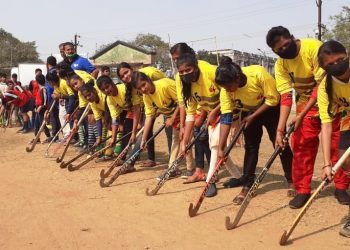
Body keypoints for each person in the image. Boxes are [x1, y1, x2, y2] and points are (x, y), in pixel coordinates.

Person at [266, 26, 350, 208]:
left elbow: (323, 84)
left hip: (331, 98)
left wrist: (301, 114)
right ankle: (302, 189)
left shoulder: (313, 47)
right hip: (306, 102)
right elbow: (286, 97)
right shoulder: (280, 65)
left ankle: (341, 187)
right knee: (302, 144)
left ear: (292, 37)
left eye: (286, 45)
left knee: (337, 143)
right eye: (278, 50)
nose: (284, 51)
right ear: (274, 51)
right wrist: (280, 130)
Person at [215, 56, 294, 204]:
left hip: (270, 108)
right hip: (248, 112)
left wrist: (254, 115)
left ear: (237, 78)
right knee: (251, 147)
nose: (227, 90)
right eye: (224, 88)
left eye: (228, 86)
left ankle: (292, 180)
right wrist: (221, 147)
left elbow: (274, 99)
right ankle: (247, 184)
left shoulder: (258, 73)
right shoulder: (225, 90)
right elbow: (226, 116)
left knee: (280, 144)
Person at [177, 53, 241, 197]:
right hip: (213, 118)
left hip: (228, 112)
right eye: (181, 72)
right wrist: (185, 141)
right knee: (220, 151)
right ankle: (239, 177)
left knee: (215, 146)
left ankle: (209, 181)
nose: (185, 74)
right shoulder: (187, 86)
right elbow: (190, 115)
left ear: (195, 66)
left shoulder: (211, 72)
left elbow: (228, 92)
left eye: (188, 70)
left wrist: (214, 111)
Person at [132, 71, 194, 180]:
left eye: (143, 85)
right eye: (139, 88)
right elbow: (149, 117)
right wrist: (143, 139)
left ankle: (190, 169)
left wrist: (175, 118)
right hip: (174, 117)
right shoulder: (146, 97)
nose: (143, 89)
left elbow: (182, 102)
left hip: (188, 112)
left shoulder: (165, 85)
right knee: (176, 141)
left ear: (148, 80)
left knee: (185, 140)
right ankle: (172, 169)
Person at [317, 40, 350, 238]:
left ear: (346, 54)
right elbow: (326, 124)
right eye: (330, 64)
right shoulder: (325, 87)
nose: (337, 65)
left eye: (340, 59)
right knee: (345, 162)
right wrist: (326, 164)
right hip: (348, 120)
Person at [117, 62, 168, 168]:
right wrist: (134, 132)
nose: (126, 76)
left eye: (126, 72)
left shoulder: (150, 72)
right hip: (150, 105)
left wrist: (159, 108)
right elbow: (137, 109)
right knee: (146, 129)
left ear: (131, 69)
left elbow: (165, 85)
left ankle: (131, 163)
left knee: (169, 131)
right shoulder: (132, 87)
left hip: (167, 101)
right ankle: (146, 160)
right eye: (122, 76)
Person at [170, 42, 208, 181]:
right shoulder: (179, 76)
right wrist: (183, 126)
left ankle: (210, 175)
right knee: (198, 140)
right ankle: (199, 171)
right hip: (194, 112)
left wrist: (203, 114)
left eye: (177, 58)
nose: (176, 61)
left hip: (210, 109)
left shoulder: (203, 68)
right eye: (174, 59)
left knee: (207, 141)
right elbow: (183, 103)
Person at [96, 75, 141, 172]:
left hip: (142, 108)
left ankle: (131, 163)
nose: (107, 90)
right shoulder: (109, 99)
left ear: (112, 83)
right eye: (103, 90)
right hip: (131, 111)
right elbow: (115, 119)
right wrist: (113, 138)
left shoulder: (125, 89)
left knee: (141, 136)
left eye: (107, 87)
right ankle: (123, 158)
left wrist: (134, 131)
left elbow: (137, 108)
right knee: (126, 134)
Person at [80, 80, 114, 159]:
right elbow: (98, 120)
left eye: (89, 95)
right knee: (103, 127)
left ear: (94, 91)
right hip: (108, 114)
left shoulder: (104, 95)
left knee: (110, 129)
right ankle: (102, 149)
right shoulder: (92, 103)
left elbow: (111, 114)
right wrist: (98, 137)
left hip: (117, 112)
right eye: (85, 97)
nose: (88, 98)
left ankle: (113, 151)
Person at [33, 74, 51, 142]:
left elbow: (45, 99)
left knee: (42, 124)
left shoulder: (43, 89)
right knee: (36, 124)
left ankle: (48, 136)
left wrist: (41, 106)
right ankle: (36, 138)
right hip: (38, 108)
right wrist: (36, 107)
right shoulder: (40, 89)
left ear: (37, 81)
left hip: (42, 109)